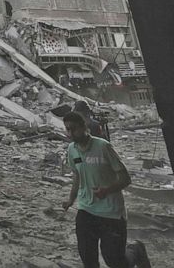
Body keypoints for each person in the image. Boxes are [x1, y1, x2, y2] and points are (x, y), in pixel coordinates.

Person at [62, 111, 150, 268]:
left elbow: (125, 178)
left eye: (73, 129)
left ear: (84, 127)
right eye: (67, 129)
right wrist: (71, 199)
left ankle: (136, 250)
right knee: (88, 258)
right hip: (86, 209)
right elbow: (77, 176)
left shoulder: (103, 147)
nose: (70, 133)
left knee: (116, 262)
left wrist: (106, 190)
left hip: (111, 213)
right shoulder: (72, 150)